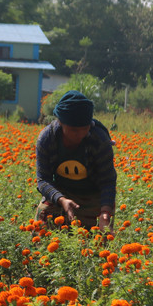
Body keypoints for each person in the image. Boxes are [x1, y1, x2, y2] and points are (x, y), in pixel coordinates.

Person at [36, 90, 117, 230]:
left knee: (100, 236)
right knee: (43, 219)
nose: (80, 134)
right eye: (74, 130)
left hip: (94, 194)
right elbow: (43, 180)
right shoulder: (47, 139)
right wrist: (61, 200)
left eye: (85, 129)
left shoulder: (99, 140)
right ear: (60, 123)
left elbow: (108, 181)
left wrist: (105, 213)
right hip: (61, 191)